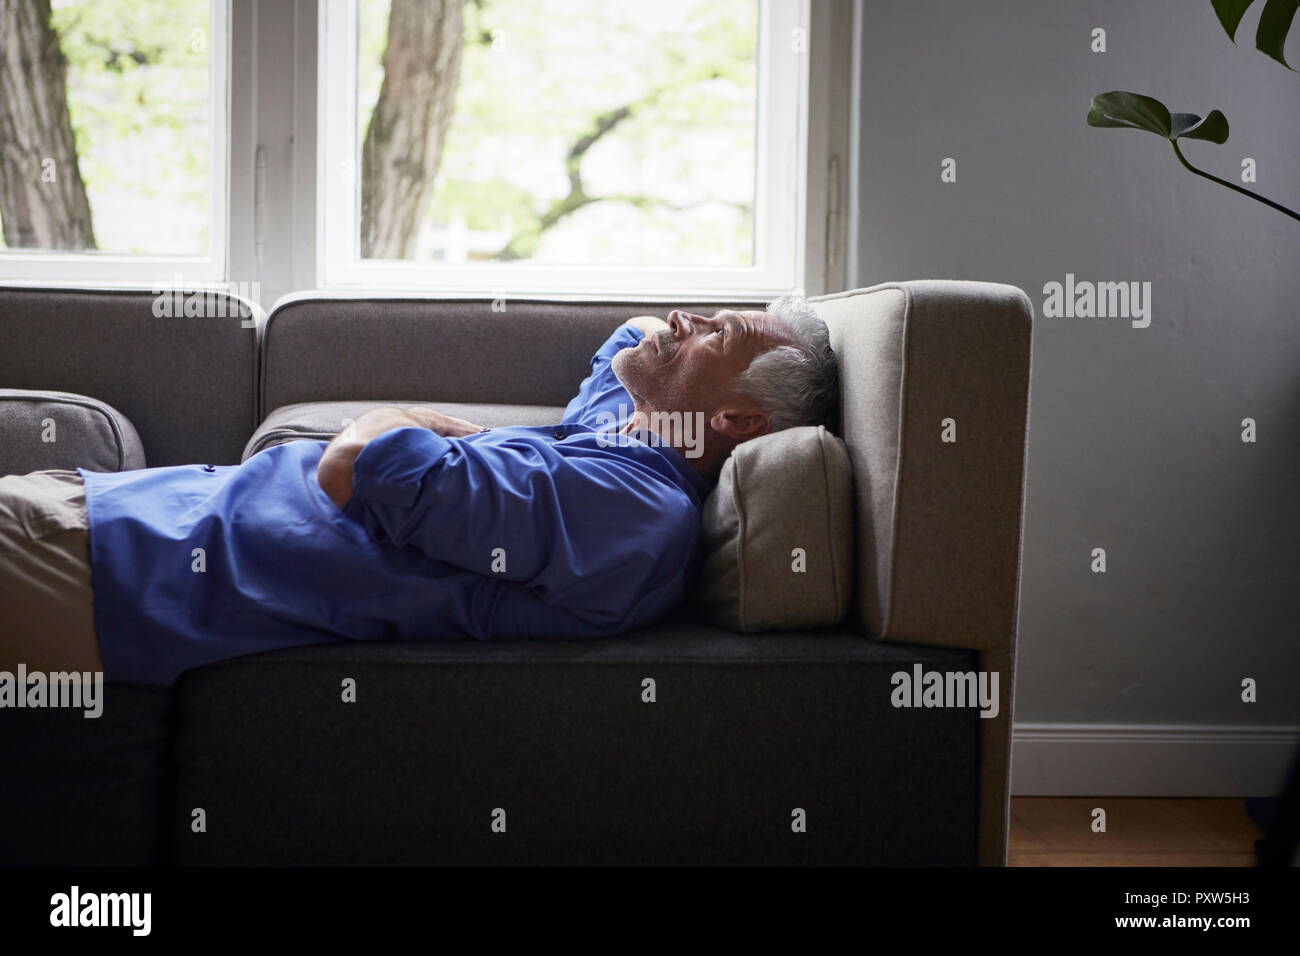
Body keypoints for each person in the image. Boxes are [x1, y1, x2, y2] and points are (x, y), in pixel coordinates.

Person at [0, 296, 837, 686]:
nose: (683, 318)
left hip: (105, 567)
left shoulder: (629, 511)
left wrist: (394, 414)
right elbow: (637, 338)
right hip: (105, 520)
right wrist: (695, 357)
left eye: (717, 331)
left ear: (737, 421)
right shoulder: (633, 435)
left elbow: (355, 467)